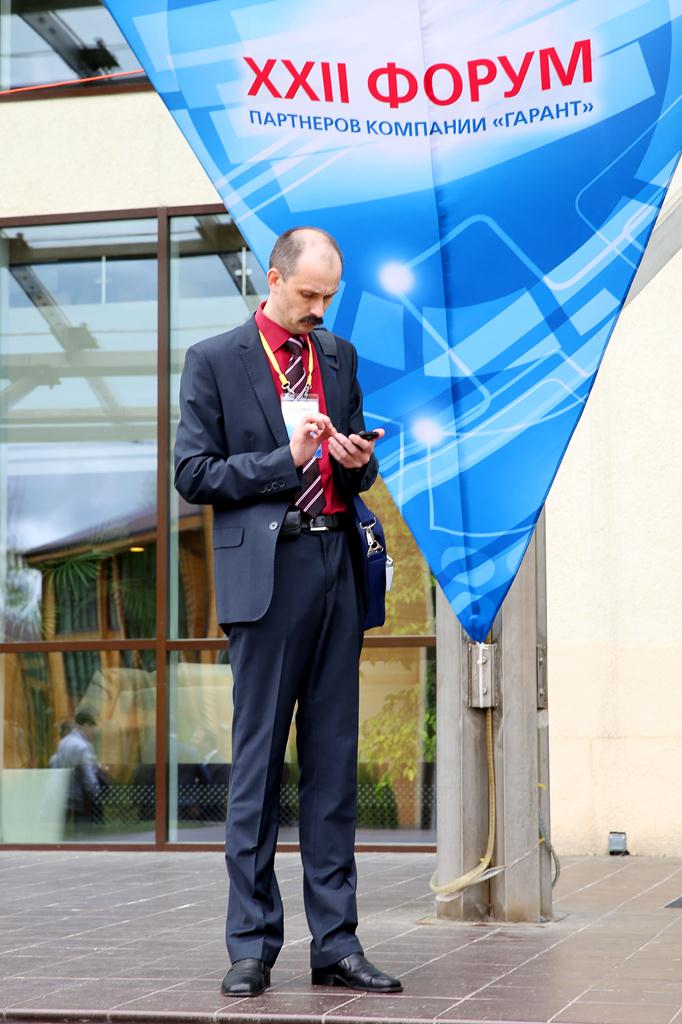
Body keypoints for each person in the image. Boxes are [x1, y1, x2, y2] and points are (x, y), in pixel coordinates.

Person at [174, 227, 401, 998]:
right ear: (272, 280)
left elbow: (356, 471)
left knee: (333, 765)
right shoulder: (214, 360)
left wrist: (358, 463)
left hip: (337, 564)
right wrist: (287, 461)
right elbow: (193, 473)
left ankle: (337, 944)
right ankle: (251, 945)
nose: (320, 309)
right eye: (309, 294)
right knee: (258, 765)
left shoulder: (338, 357)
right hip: (267, 577)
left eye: (329, 296)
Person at [49, 708, 109, 828]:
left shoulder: (63, 743)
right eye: (94, 727)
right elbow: (89, 779)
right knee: (86, 832)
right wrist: (97, 795)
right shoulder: (83, 747)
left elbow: (56, 766)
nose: (95, 731)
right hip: (82, 801)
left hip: (66, 798)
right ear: (86, 725)